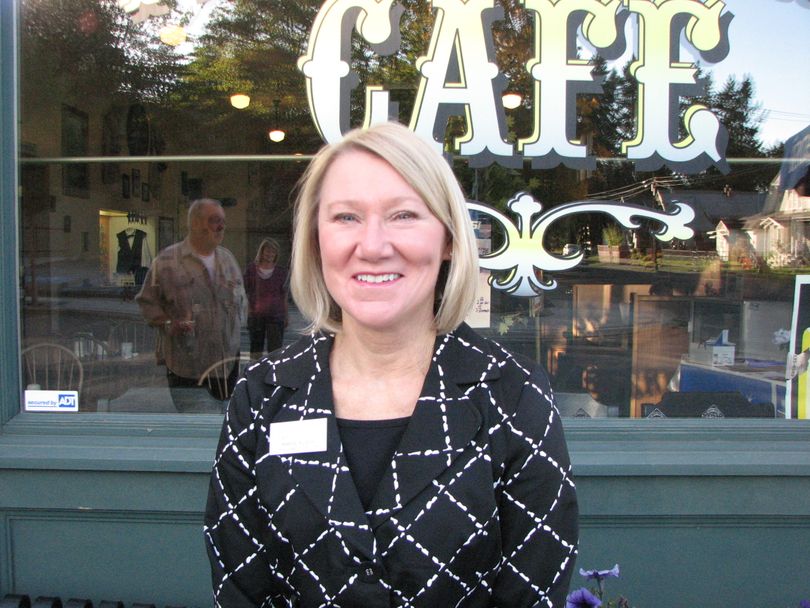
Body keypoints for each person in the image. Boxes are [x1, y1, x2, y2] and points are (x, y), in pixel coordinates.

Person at [204, 123, 578, 606]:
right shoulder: (264, 394)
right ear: (316, 241)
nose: (374, 245)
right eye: (345, 218)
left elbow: (533, 589)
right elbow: (241, 588)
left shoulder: (510, 393)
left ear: (447, 239)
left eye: (403, 215)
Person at [136, 198, 246, 411]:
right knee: (197, 428)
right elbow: (146, 302)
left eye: (223, 221)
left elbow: (241, 305)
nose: (221, 226)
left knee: (225, 429)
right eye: (214, 220)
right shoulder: (167, 261)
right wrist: (169, 323)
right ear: (195, 224)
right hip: (187, 367)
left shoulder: (228, 259)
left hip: (227, 366)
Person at [243, 238, 288, 359]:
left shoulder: (281, 272)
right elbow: (245, 293)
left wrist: (286, 315)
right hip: (256, 317)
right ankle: (255, 375)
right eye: (267, 251)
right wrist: (248, 313)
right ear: (261, 252)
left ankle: (272, 376)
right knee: (255, 352)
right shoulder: (251, 270)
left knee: (275, 352)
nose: (270, 254)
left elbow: (284, 295)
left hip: (276, 316)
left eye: (273, 252)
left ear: (276, 254)